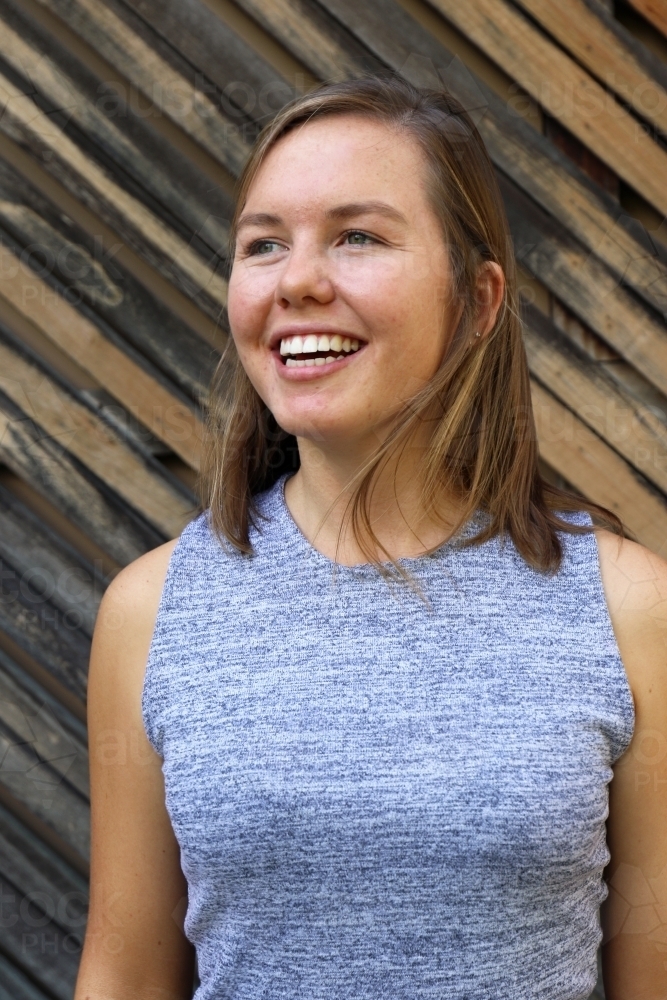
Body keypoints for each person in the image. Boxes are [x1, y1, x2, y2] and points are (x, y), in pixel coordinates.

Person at [75, 77, 667, 1000]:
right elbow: (125, 972)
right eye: (262, 244)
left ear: (476, 302)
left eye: (357, 236)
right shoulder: (151, 613)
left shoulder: (629, 610)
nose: (297, 279)